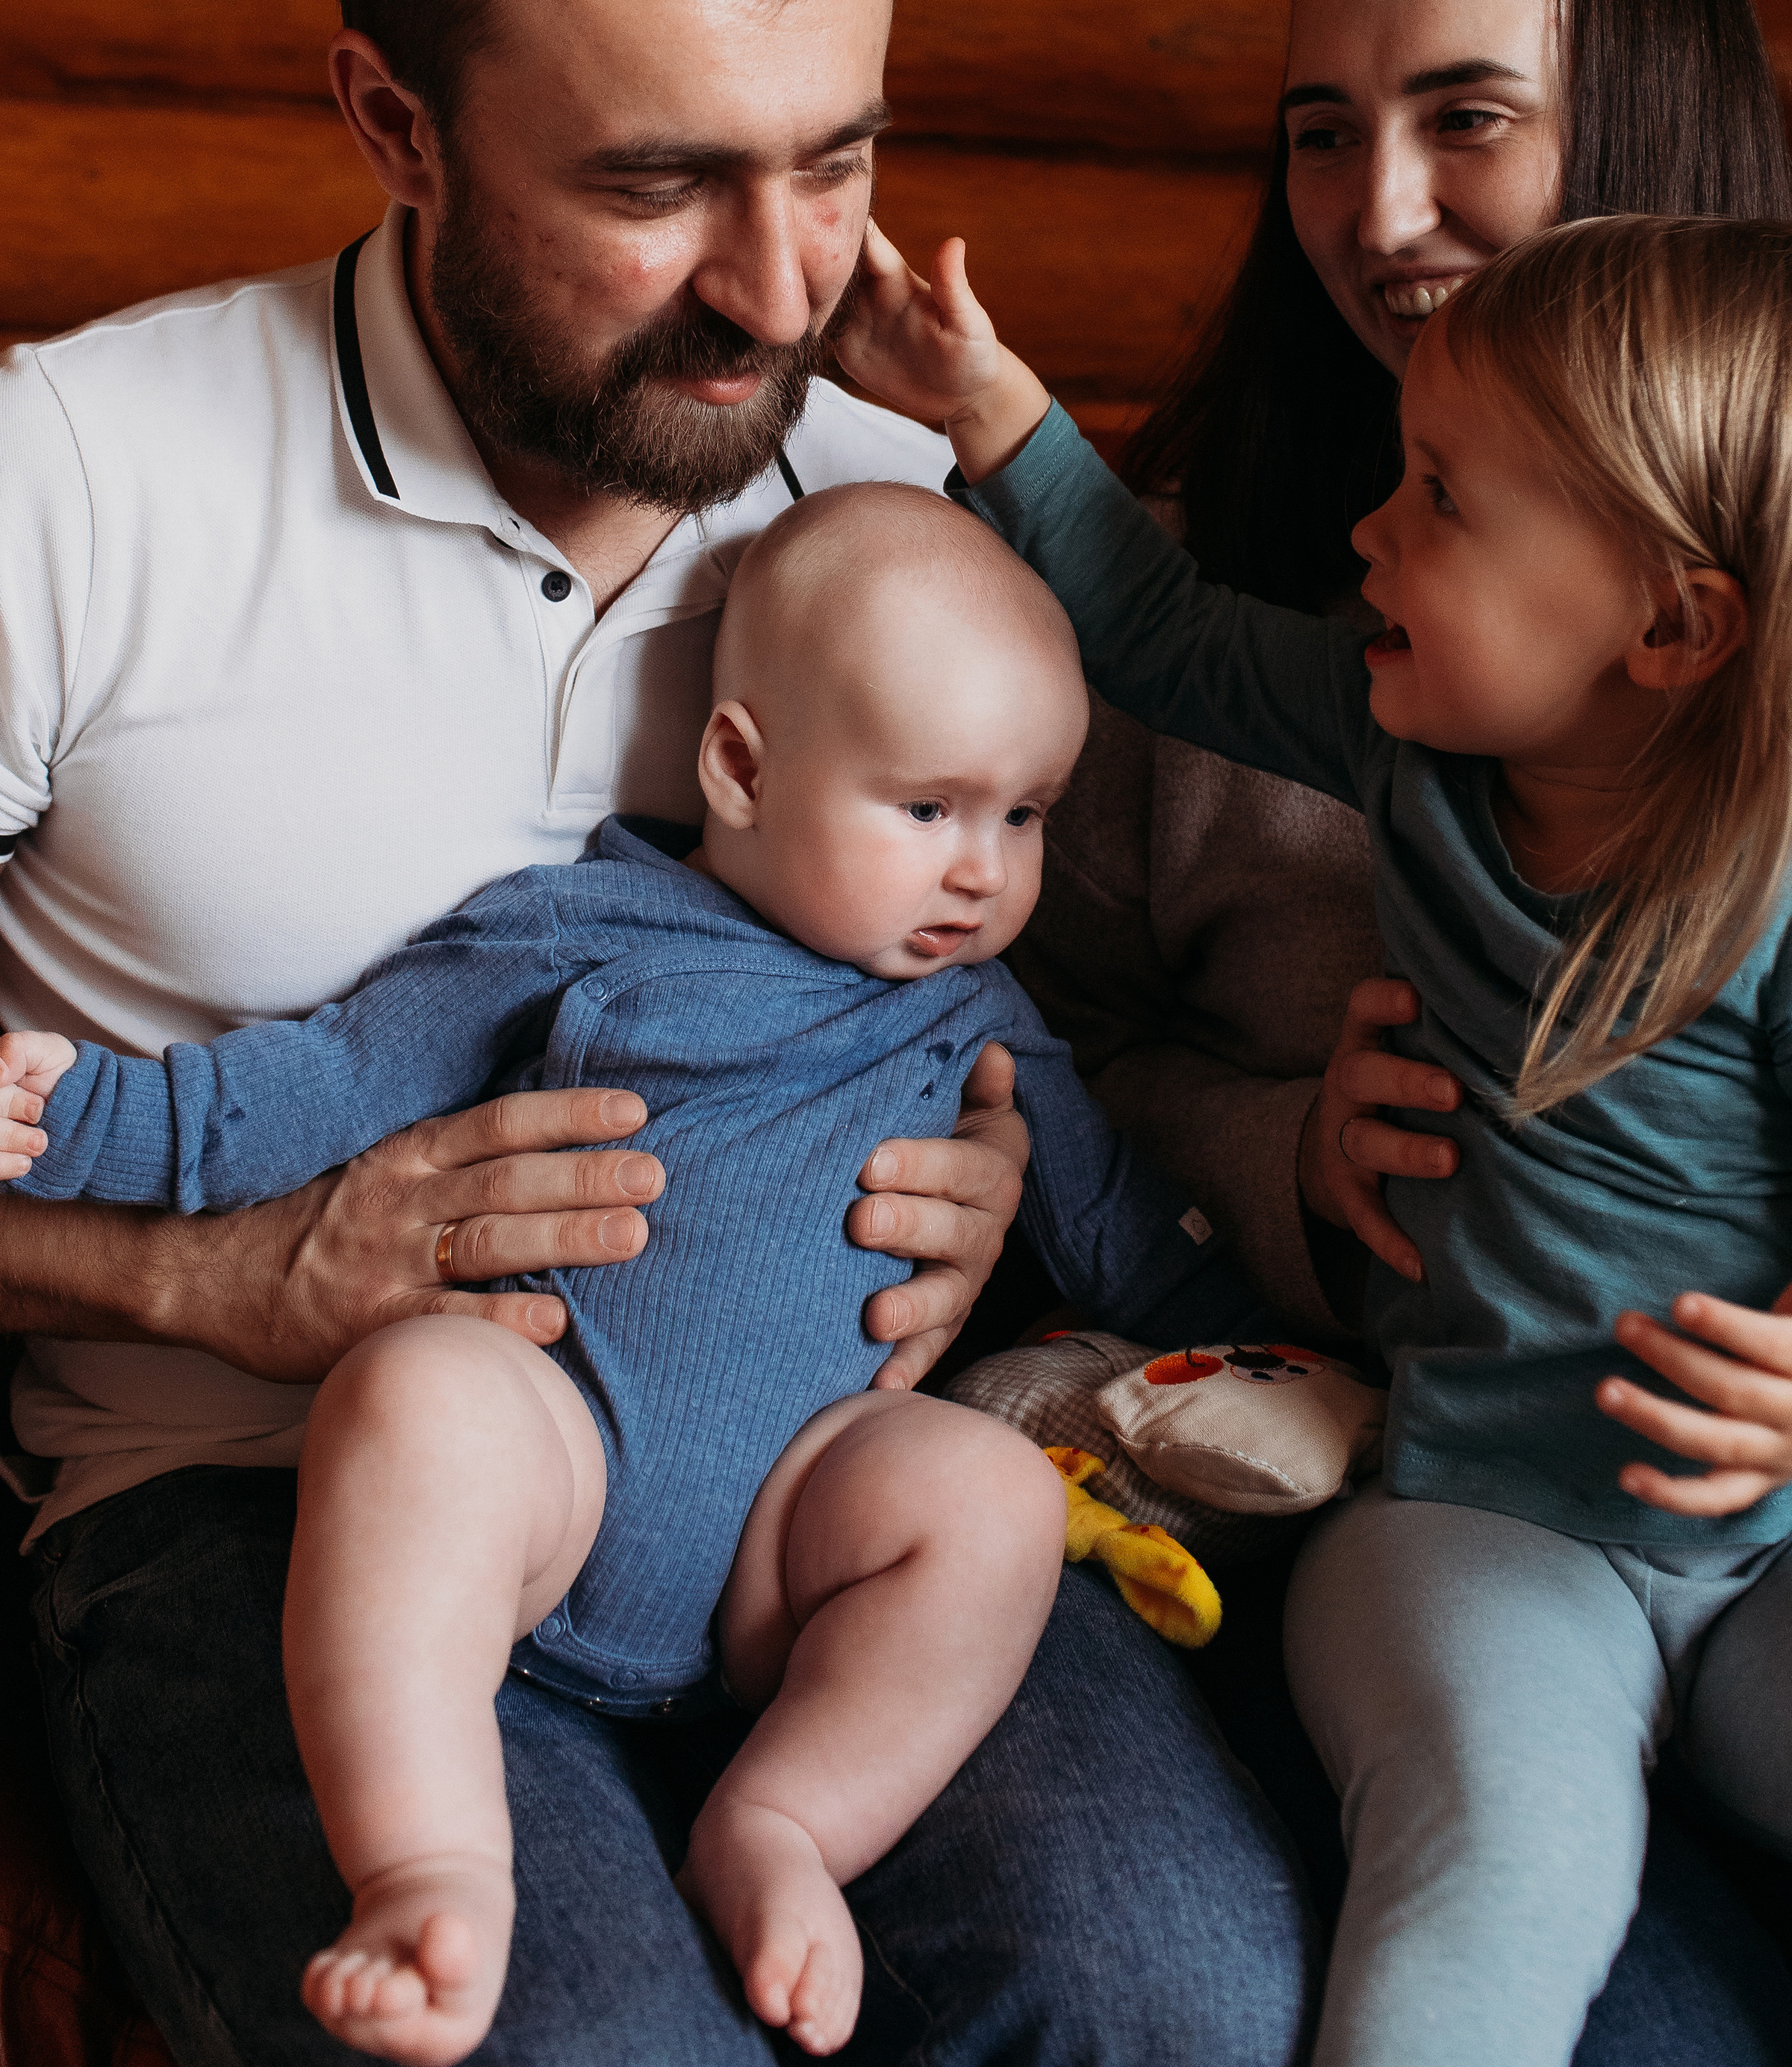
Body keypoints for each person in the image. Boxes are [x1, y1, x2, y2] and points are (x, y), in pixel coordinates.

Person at [0, 0, 1312, 2067]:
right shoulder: (72, 487)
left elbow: (1033, 1030)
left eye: (835, 157)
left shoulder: (901, 514)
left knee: (1182, 2002)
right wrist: (209, 1280)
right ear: (394, 123)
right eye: (655, 179)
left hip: (804, 1507)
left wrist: (997, 1223)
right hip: (266, 1512)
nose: (784, 283)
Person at [840, 207, 1792, 2067]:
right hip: (1480, 1528)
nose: (1369, 534)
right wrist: (990, 402)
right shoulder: (1402, 751)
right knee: (1497, 1866)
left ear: (1668, 622)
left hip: (1783, 1547)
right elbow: (1156, 631)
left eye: (1438, 498)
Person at [5, 485, 1266, 2063]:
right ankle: (430, 1862)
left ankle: (788, 1818)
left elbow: (1122, 1229)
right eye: (928, 810)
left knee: (987, 1496)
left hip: (791, 1542)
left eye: (1025, 817)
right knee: (422, 1394)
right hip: (563, 1475)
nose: (982, 874)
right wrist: (64, 1117)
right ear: (739, 766)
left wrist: (1289, 1354)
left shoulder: (979, 1017)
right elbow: (301, 1092)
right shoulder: (582, 933)